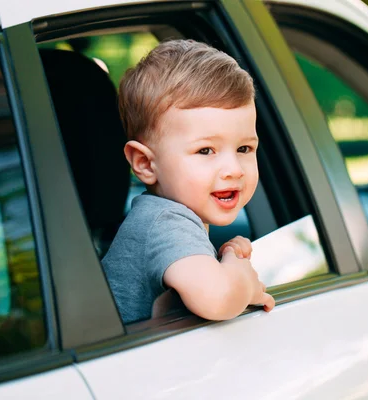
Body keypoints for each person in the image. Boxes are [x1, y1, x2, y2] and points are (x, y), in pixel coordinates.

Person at [102, 39, 275, 323]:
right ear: (145, 163)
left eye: (244, 149)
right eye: (205, 150)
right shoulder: (166, 223)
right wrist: (242, 278)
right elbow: (218, 299)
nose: (233, 169)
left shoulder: (161, 219)